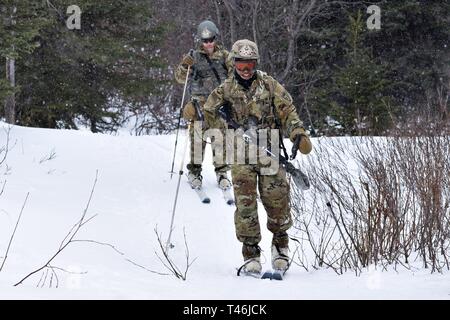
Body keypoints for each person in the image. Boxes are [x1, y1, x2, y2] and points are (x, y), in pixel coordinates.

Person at [204, 39, 312, 274]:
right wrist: (206, 117)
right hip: (241, 154)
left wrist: (298, 133)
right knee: (245, 205)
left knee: (277, 200)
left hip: (269, 150)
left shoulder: (270, 85)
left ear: (255, 64)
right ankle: (251, 254)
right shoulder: (225, 89)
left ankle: (280, 248)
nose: (245, 70)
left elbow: (288, 111)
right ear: (233, 64)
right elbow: (209, 114)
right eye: (241, 65)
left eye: (250, 65)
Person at [175, 20, 233, 190]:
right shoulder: (193, 55)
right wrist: (185, 66)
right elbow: (180, 79)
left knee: (219, 139)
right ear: (200, 40)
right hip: (199, 104)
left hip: (218, 104)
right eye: (205, 40)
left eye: (211, 40)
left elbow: (233, 78)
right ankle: (194, 171)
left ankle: (222, 172)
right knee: (197, 139)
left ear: (216, 38)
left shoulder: (225, 56)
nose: (208, 44)